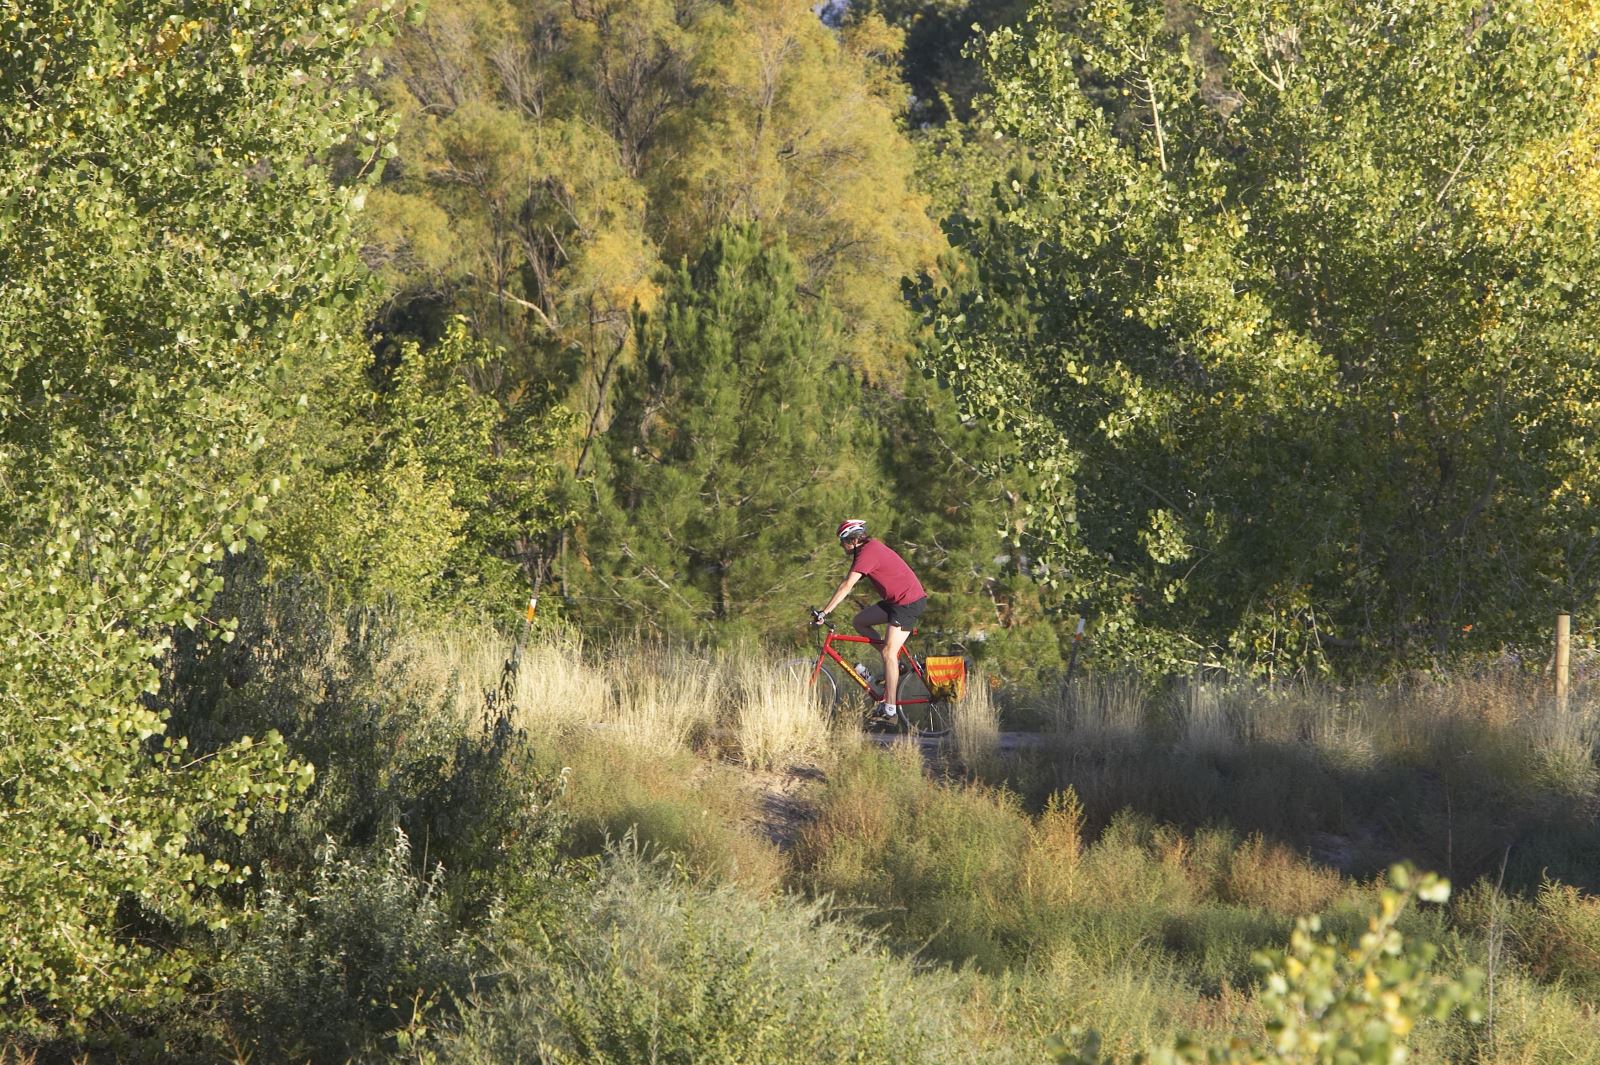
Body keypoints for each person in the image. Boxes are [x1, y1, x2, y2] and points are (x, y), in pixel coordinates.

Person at [811, 518, 927, 725]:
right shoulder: (868, 550)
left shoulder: (867, 553)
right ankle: (896, 667)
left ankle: (890, 708)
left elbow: (847, 585)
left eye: (843, 542)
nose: (842, 546)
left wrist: (825, 612)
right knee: (860, 622)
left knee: (888, 652)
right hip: (895, 601)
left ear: (853, 540)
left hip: (908, 603)